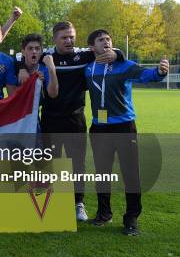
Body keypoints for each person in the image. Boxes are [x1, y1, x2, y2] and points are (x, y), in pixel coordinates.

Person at [18, 21, 124, 222]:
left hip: (75, 118)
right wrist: (23, 68)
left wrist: (118, 54)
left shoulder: (83, 55)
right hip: (50, 118)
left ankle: (78, 203)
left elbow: (107, 48)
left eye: (71, 37)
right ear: (54, 39)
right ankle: (53, 202)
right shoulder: (46, 56)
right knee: (49, 162)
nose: (69, 41)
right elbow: (20, 57)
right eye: (64, 37)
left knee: (77, 164)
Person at [85, 29, 168, 236]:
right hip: (99, 127)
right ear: (91, 47)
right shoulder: (87, 68)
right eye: (100, 40)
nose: (106, 42)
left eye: (108, 39)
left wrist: (160, 72)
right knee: (102, 173)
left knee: (131, 174)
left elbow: (148, 75)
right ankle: (104, 214)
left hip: (124, 126)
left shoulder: (125, 65)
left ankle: (131, 218)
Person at [20, 34, 59, 99]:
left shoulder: (45, 69)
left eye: (37, 49)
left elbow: (53, 94)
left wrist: (52, 69)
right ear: (23, 52)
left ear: (41, 52)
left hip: (35, 109)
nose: (34, 51)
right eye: (30, 48)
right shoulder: (16, 68)